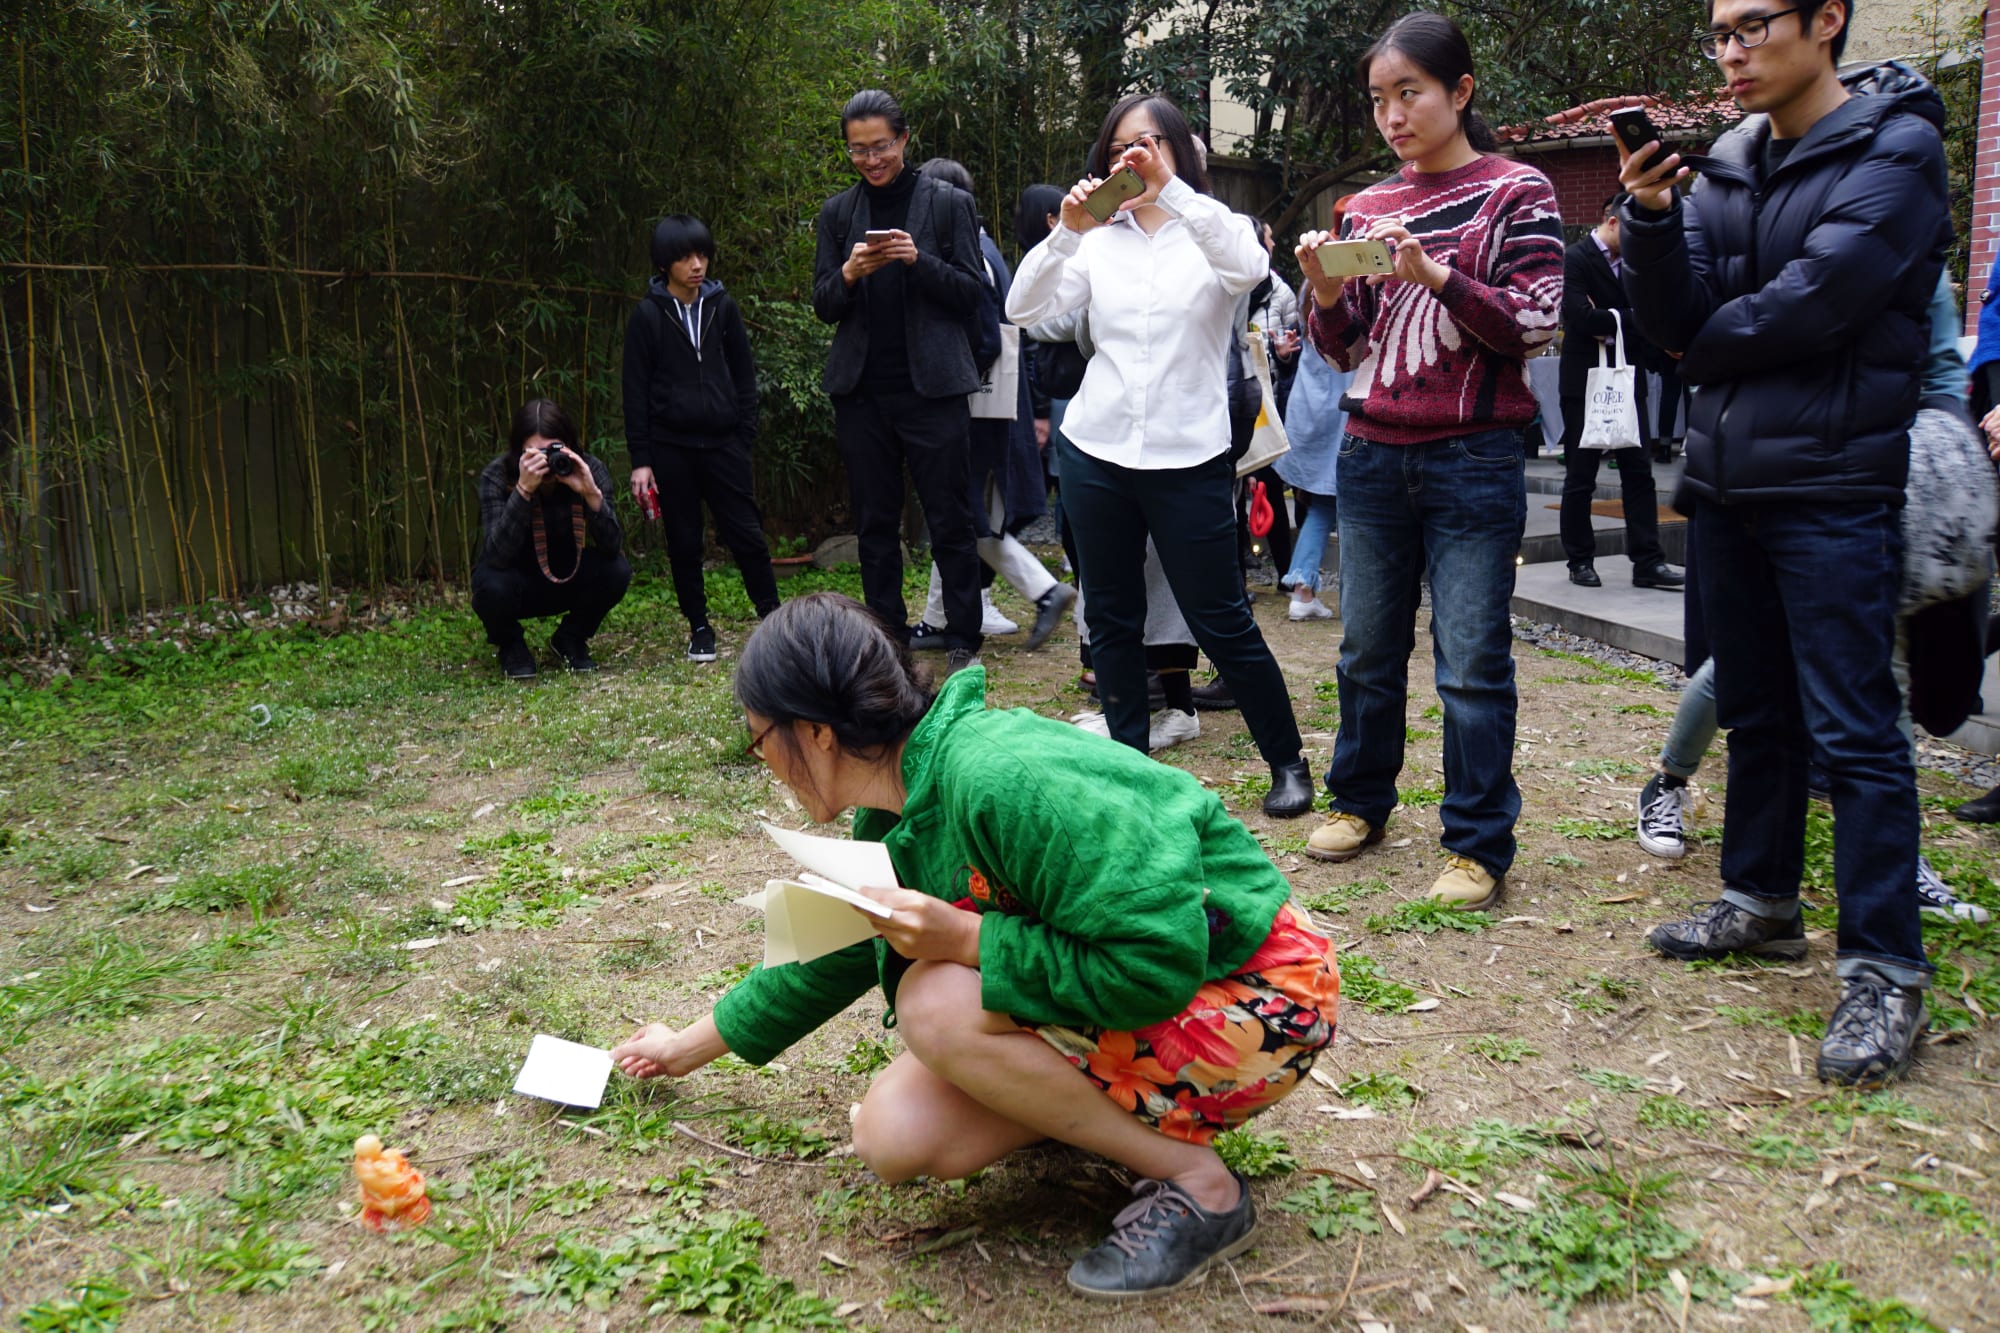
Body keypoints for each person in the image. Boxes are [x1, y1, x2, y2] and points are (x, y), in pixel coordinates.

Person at [607, 593, 1340, 1299]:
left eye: (760, 738)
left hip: (1259, 993)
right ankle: (1102, 1117)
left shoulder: (997, 774)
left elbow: (1154, 961)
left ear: (817, 731)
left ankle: (1203, 1187)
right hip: (1170, 990)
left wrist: (966, 937)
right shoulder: (895, 810)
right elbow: (829, 954)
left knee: (934, 1000)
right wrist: (684, 1048)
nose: (764, 761)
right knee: (891, 1134)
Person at [1618, 0, 1950, 1085]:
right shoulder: (1720, 162)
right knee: (1755, 708)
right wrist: (1657, 224)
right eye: (1717, 28)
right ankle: (1759, 899)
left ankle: (1885, 971)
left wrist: (1696, 342)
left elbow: (1817, 303)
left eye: (1753, 22)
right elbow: (1671, 317)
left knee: (1853, 728)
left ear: (1826, 21)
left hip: (1834, 482)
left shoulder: (1894, 147)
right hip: (1723, 479)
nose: (1730, 47)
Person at [1293, 13, 1564, 907]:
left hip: (1475, 456)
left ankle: (1478, 841)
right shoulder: (1364, 209)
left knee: (1472, 660)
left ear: (1461, 92)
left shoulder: (1518, 192)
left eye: (1410, 93)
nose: (1394, 115)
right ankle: (1360, 800)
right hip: (1371, 454)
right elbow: (1343, 351)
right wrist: (1327, 295)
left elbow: (1538, 322)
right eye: (1380, 99)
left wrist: (1440, 277)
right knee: (1367, 647)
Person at [1007, 92, 1317, 818]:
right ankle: (1131, 763)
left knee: (1220, 616)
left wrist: (1169, 190)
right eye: (1120, 146)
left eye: (1149, 142)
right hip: (1097, 449)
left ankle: (1288, 760)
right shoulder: (1100, 243)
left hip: (1189, 454)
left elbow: (1247, 267)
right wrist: (1066, 234)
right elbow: (1024, 310)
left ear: (1178, 150)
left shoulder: (1217, 231)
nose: (1133, 156)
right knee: (1112, 617)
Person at [812, 89, 987, 676]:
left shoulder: (946, 205)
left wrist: (918, 260)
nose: (870, 159)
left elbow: (972, 294)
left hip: (933, 388)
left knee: (949, 516)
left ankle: (963, 632)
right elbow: (823, 304)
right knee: (875, 522)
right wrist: (849, 272)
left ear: (905, 140)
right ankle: (886, 633)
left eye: (880, 146)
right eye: (857, 150)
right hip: (862, 391)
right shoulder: (838, 214)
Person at [907, 159, 1078, 651]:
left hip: (973, 404)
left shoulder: (970, 256)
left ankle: (1043, 590)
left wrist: (943, 369)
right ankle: (938, 618)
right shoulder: (982, 249)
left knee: (962, 515)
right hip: (991, 404)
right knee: (958, 513)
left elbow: (985, 337)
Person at [623, 214, 780, 663]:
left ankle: (773, 620)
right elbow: (634, 391)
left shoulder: (721, 306)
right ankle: (699, 627)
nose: (697, 265)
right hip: (671, 448)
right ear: (664, 263)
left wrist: (742, 434)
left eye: (702, 254)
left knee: (747, 534)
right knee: (685, 541)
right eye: (685, 257)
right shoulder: (647, 315)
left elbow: (744, 374)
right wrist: (642, 459)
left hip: (724, 443)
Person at [1558, 195, 1684, 592]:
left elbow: (1652, 315)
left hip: (1628, 380)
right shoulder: (1575, 258)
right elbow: (1578, 317)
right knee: (1581, 474)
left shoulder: (1637, 263)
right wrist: (1630, 317)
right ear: (1613, 223)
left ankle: (1648, 561)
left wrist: (1612, 318)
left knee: (1639, 473)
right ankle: (1579, 559)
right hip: (1585, 381)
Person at [471, 399, 631, 680]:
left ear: (568, 445)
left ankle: (571, 637)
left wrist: (591, 494)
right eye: (534, 453)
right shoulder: (498, 475)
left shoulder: (587, 468)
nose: (545, 462)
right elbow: (496, 556)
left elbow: (612, 547)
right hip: (515, 579)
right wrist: (522, 490)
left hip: (567, 574)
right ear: (518, 450)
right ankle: (511, 645)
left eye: (553, 451)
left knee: (617, 570)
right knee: (490, 585)